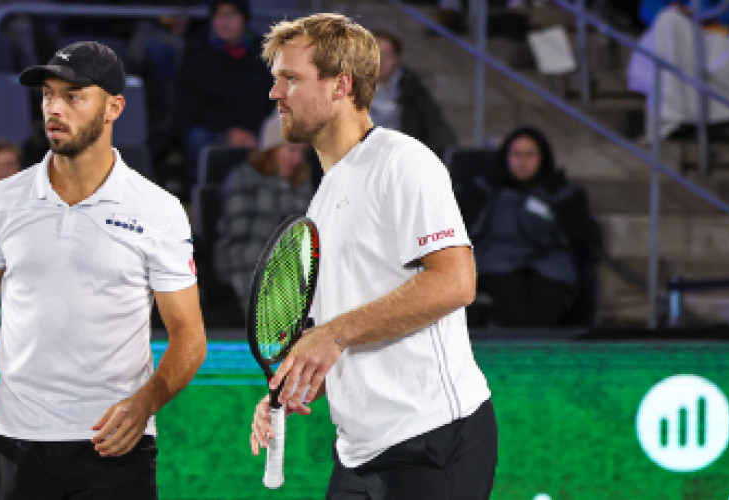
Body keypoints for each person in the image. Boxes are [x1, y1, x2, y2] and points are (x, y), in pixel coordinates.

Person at [0, 41, 207, 499]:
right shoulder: (2, 201)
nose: (55, 109)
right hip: (15, 442)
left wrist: (147, 402)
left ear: (114, 107)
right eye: (48, 95)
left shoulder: (159, 210)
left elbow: (189, 335)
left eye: (74, 96)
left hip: (115, 448)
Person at [247, 14, 497, 498]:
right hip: (359, 451)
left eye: (291, 79)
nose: (275, 94)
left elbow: (455, 282)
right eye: (276, 80)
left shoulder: (402, 162)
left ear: (341, 85)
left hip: (432, 439)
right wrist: (293, 383)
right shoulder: (323, 197)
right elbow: (335, 335)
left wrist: (334, 334)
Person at [466, 126, 603, 327]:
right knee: (513, 307)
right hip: (496, 260)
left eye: (530, 155)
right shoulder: (484, 190)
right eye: (516, 154)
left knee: (547, 304)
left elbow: (579, 235)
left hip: (549, 261)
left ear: (542, 158)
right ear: (506, 156)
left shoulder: (562, 193)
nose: (522, 162)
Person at [628, 0, 729, 140]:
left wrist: (706, 15)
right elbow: (648, 10)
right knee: (668, 20)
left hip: (723, 33)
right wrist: (683, 11)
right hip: (684, 30)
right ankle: (673, 118)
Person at [214, 113, 315, 308]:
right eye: (292, 150)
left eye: (302, 153)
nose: (298, 159)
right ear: (272, 149)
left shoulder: (301, 181)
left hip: (290, 262)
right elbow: (239, 235)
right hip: (247, 258)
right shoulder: (244, 177)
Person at [173, 0, 275, 188]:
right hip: (214, 130)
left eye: (230, 15)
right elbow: (187, 109)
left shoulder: (265, 55)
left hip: (257, 129)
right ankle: (201, 201)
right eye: (219, 16)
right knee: (197, 139)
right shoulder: (196, 54)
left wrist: (252, 131)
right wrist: (229, 133)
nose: (224, 22)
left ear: (244, 18)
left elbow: (270, 102)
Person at [369, 30, 457, 156]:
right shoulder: (346, 90)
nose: (381, 61)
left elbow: (436, 127)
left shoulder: (412, 90)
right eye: (375, 54)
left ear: (397, 59)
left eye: (387, 55)